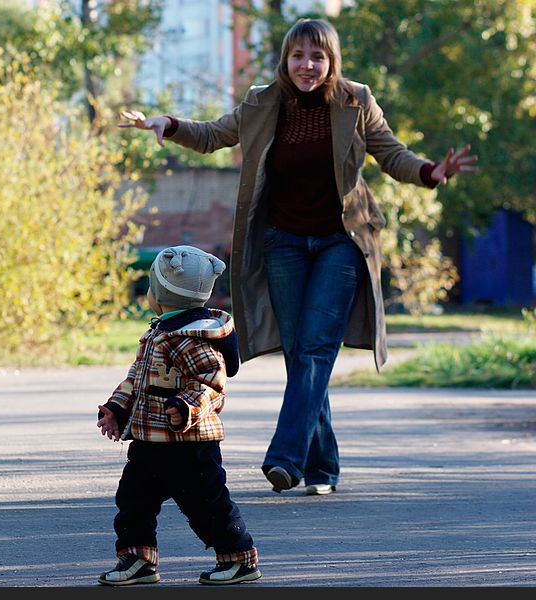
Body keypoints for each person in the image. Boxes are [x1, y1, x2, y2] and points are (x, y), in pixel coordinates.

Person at [118, 18, 477, 496]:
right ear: (286, 60)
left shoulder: (356, 101)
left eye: (318, 57)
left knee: (314, 350)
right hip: (283, 242)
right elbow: (212, 135)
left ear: (331, 61)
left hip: (339, 243)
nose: (307, 65)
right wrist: (169, 124)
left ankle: (286, 458)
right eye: (298, 56)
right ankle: (324, 468)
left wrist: (431, 171)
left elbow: (393, 155)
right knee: (302, 356)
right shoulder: (262, 102)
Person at [96, 245, 260, 586]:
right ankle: (138, 558)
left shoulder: (192, 340)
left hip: (190, 445)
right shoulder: (157, 334)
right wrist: (115, 408)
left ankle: (239, 558)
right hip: (149, 441)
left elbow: (212, 384)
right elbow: (136, 378)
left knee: (207, 505)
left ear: (158, 292)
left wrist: (187, 406)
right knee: (133, 501)